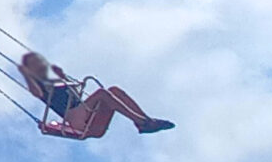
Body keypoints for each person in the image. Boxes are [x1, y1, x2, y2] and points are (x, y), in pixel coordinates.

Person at [19, 52, 176, 140]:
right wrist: (27, 75)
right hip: (76, 119)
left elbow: (75, 95)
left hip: (86, 115)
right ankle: (141, 120)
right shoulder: (41, 86)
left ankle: (144, 121)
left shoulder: (58, 83)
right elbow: (35, 92)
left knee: (113, 91)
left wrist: (63, 77)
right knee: (101, 94)